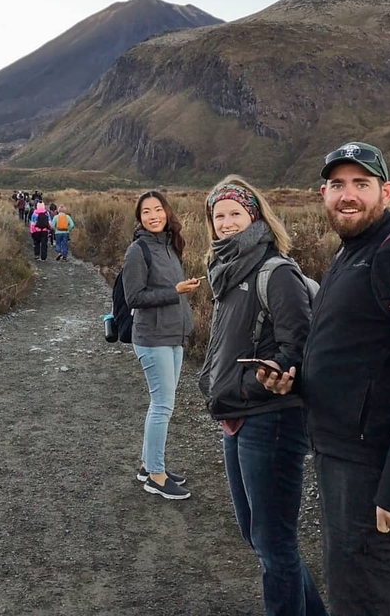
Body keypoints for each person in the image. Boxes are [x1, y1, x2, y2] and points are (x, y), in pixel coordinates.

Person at [259, 142, 390, 616]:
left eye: (361, 184)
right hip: (340, 457)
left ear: (387, 192)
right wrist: (294, 379)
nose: (347, 195)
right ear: (323, 193)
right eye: (338, 185)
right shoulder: (350, 253)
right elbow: (352, 358)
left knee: (363, 600)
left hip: (374, 468)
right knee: (353, 591)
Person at [198, 175, 327, 616]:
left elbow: (298, 348)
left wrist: (248, 385)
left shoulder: (276, 271)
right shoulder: (227, 268)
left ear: (255, 217)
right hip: (238, 414)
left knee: (273, 543)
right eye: (220, 216)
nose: (228, 223)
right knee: (260, 536)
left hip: (272, 417)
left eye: (237, 213)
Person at [121, 190, 202, 500]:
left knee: (161, 405)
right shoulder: (137, 250)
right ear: (139, 218)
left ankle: (147, 464)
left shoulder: (170, 246)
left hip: (173, 335)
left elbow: (170, 291)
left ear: (168, 213)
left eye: (158, 209)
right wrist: (175, 290)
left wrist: (180, 292)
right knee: (162, 407)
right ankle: (156, 475)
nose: (153, 215)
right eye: (146, 212)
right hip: (152, 338)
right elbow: (135, 298)